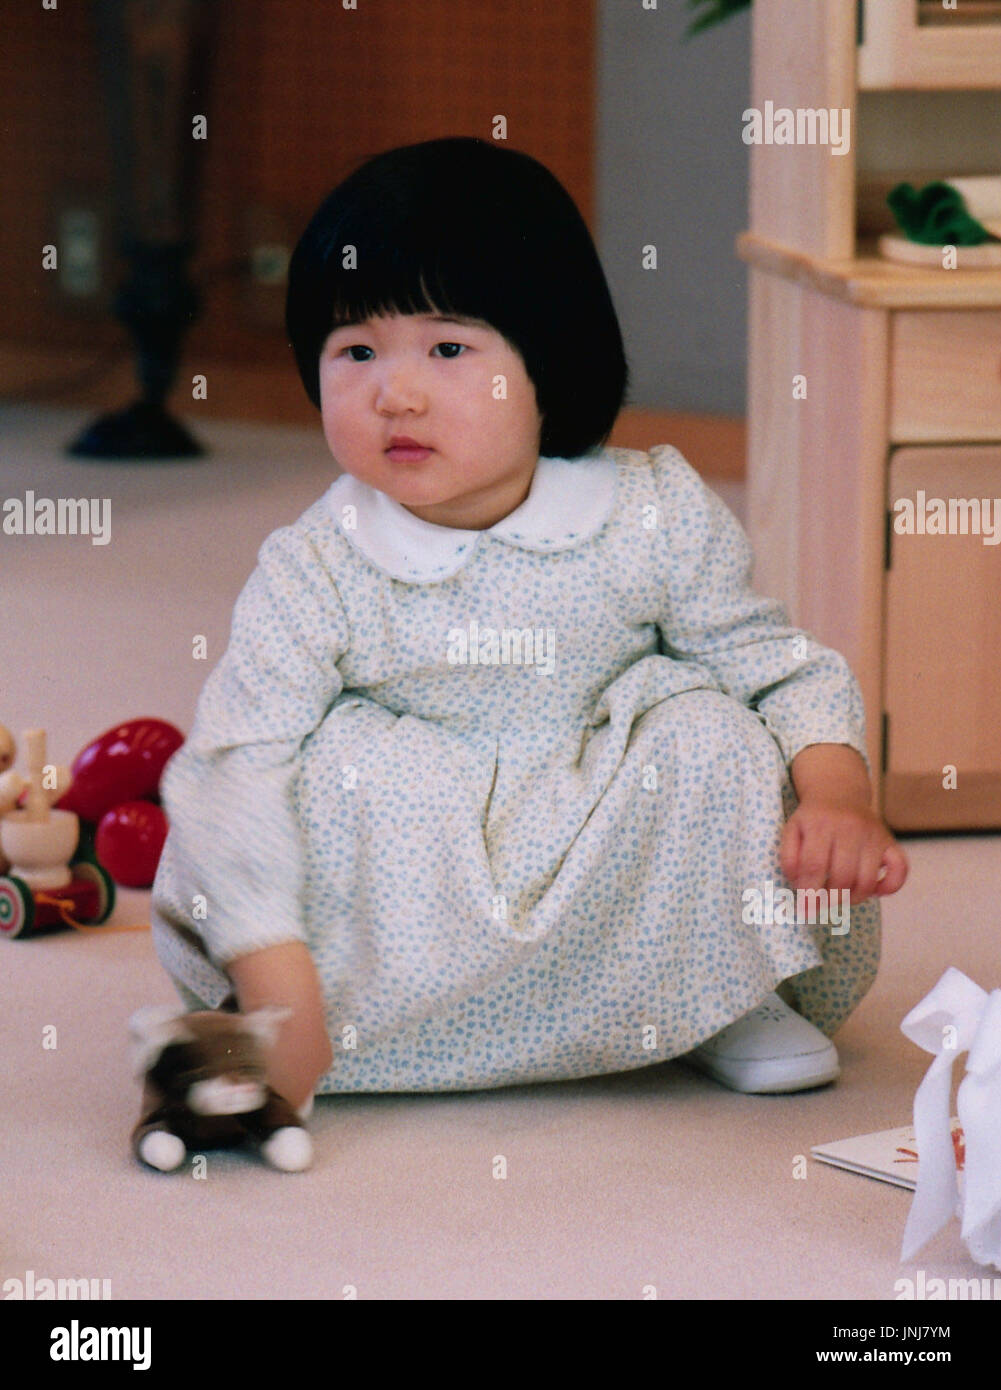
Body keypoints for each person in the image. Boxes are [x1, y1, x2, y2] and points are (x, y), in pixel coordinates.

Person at [149, 136, 909, 1119]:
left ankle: (720, 990)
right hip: (418, 881)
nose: (397, 391)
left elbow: (776, 669)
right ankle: (330, 1017)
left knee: (709, 736)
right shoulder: (316, 564)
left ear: (546, 355)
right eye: (355, 351)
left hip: (606, 845)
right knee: (306, 779)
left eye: (449, 348)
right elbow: (234, 767)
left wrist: (837, 796)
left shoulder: (650, 514)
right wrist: (270, 970)